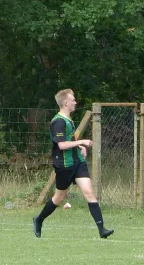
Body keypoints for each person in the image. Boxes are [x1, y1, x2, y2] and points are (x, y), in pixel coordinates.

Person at [33, 89, 114, 239]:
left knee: (89, 193)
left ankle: (102, 230)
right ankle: (39, 219)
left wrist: (79, 147)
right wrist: (82, 141)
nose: (75, 102)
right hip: (64, 165)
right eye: (73, 100)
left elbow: (69, 139)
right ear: (65, 103)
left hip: (77, 162)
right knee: (59, 197)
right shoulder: (58, 121)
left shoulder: (68, 120)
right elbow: (62, 145)